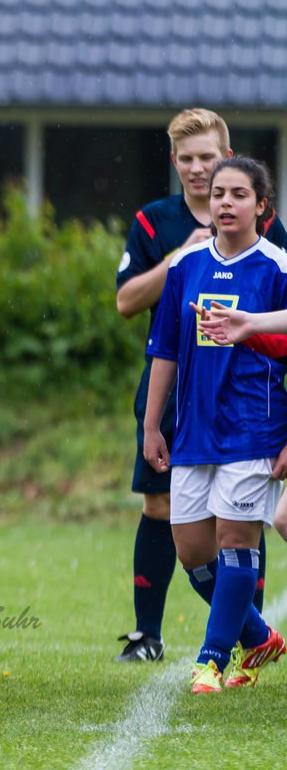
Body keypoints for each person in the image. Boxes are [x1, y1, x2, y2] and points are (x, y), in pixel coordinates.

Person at [114, 109, 286, 662]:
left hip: (253, 404)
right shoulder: (157, 224)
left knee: (241, 531)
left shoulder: (270, 241)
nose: (197, 170)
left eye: (207, 159)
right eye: (187, 160)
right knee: (166, 516)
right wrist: (179, 258)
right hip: (182, 394)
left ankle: (219, 654)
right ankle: (156, 634)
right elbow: (126, 303)